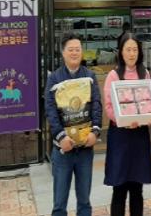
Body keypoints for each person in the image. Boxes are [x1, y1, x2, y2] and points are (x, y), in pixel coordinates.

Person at [45, 32, 103, 216]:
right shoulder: (54, 78)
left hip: (85, 149)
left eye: (78, 49)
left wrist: (95, 132)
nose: (74, 53)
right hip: (63, 150)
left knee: (84, 201)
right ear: (63, 52)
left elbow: (96, 105)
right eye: (70, 49)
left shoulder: (90, 76)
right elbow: (50, 110)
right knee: (59, 203)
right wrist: (61, 137)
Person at [103, 32, 151, 216]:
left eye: (135, 49)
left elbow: (150, 102)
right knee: (119, 188)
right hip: (120, 136)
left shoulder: (145, 74)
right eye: (128, 49)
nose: (132, 53)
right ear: (121, 51)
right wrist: (123, 121)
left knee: (137, 188)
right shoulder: (113, 75)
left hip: (139, 137)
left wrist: (150, 117)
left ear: (139, 52)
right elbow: (109, 107)